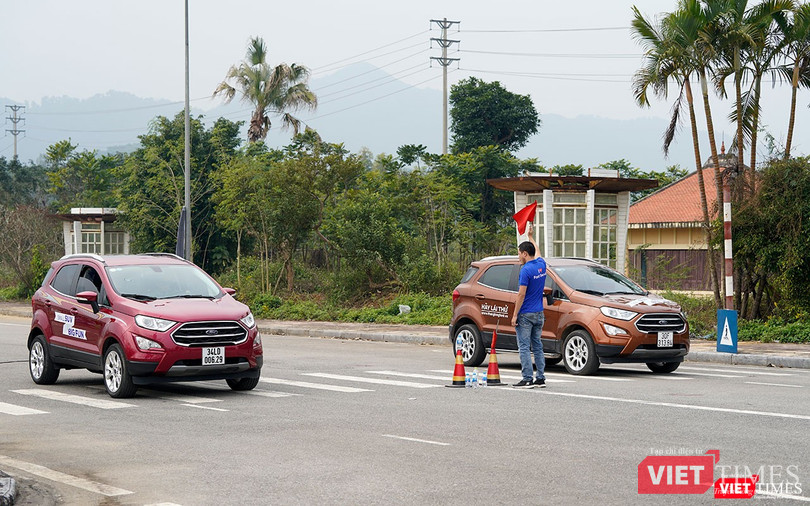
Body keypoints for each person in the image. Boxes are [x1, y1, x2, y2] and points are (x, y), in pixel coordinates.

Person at [511, 223, 547, 388]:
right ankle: (540, 377)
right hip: (539, 313)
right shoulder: (541, 265)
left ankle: (527, 378)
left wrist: (514, 315)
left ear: (525, 254)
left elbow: (521, 294)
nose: (518, 256)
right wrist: (530, 236)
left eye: (519, 254)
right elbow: (537, 251)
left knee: (524, 347)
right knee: (537, 345)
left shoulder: (525, 271)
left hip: (526, 314)